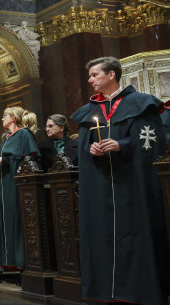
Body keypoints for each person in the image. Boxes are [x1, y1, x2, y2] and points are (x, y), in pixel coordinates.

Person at [71, 56, 169, 304]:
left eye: (95, 75)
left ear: (111, 75)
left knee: (137, 233)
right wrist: (91, 150)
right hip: (101, 186)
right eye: (90, 75)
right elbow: (82, 150)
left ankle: (138, 291)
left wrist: (122, 144)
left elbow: (152, 143)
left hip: (132, 184)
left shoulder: (141, 104)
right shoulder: (89, 112)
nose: (90, 80)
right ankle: (104, 290)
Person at [0, 107, 39, 272]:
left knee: (17, 221)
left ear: (14, 118)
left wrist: (3, 160)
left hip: (15, 185)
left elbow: (29, 160)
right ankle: (8, 262)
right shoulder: (7, 137)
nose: (2, 119)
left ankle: (22, 263)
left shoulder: (24, 134)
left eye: (5, 116)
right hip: (3, 184)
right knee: (5, 220)